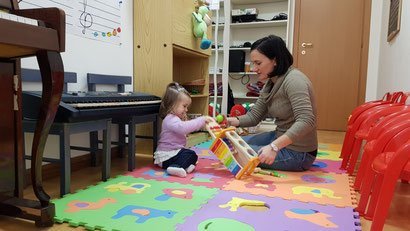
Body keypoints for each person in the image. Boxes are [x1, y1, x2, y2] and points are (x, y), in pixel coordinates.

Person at [227, 35, 318, 171]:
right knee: (232, 145)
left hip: (299, 153)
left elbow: (307, 120)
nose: (253, 68)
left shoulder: (294, 81)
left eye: (258, 63)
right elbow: (254, 116)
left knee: (236, 151)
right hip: (279, 137)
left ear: (274, 60)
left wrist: (274, 147)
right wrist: (229, 121)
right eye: (253, 63)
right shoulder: (271, 82)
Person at [154, 82, 211, 177]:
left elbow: (186, 128)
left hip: (173, 154)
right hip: (166, 156)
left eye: (187, 107)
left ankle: (182, 166)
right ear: (172, 104)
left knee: (193, 156)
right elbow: (184, 128)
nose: (186, 110)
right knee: (190, 154)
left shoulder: (175, 118)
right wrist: (201, 120)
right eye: (184, 106)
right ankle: (175, 167)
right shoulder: (170, 119)